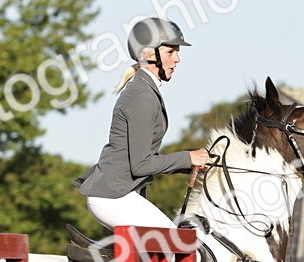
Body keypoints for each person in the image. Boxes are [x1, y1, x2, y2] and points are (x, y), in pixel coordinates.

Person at [73, 17, 209, 229]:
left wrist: (190, 163)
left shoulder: (146, 90)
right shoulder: (143, 96)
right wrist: (187, 158)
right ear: (148, 54)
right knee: (178, 245)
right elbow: (142, 164)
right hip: (114, 196)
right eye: (171, 52)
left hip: (119, 194)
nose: (178, 59)